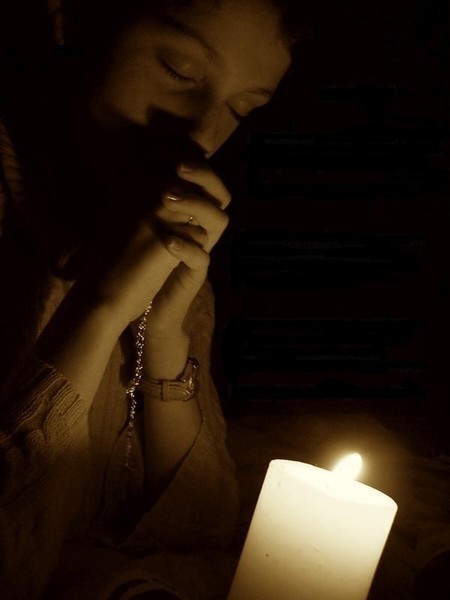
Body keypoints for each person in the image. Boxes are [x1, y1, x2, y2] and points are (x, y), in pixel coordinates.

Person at [0, 0, 312, 597]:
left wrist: (167, 338)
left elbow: (201, 528)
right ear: (70, 18)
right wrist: (101, 305)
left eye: (240, 108)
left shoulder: (158, 228)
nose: (202, 134)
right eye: (178, 70)